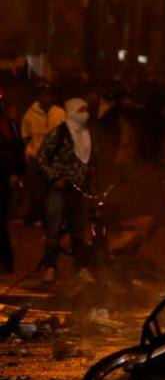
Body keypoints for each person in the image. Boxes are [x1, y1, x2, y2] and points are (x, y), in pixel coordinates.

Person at [36, 98, 95, 284]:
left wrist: (91, 188)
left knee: (78, 233)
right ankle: (50, 267)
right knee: (53, 232)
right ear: (71, 112)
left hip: (79, 191)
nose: (85, 113)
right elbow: (41, 158)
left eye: (86, 109)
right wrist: (55, 178)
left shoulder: (87, 136)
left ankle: (80, 269)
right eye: (81, 110)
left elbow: (91, 165)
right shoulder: (59, 133)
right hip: (59, 191)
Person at [20, 84, 64, 225]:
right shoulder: (30, 113)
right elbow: (25, 135)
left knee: (54, 190)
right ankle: (37, 215)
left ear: (53, 97)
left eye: (49, 94)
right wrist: (29, 152)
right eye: (43, 93)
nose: (46, 97)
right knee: (37, 190)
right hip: (36, 158)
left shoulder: (60, 113)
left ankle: (52, 217)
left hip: (55, 159)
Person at [0, 90, 25, 274]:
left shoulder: (10, 125)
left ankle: (6, 260)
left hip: (4, 179)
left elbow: (18, 149)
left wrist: (17, 173)